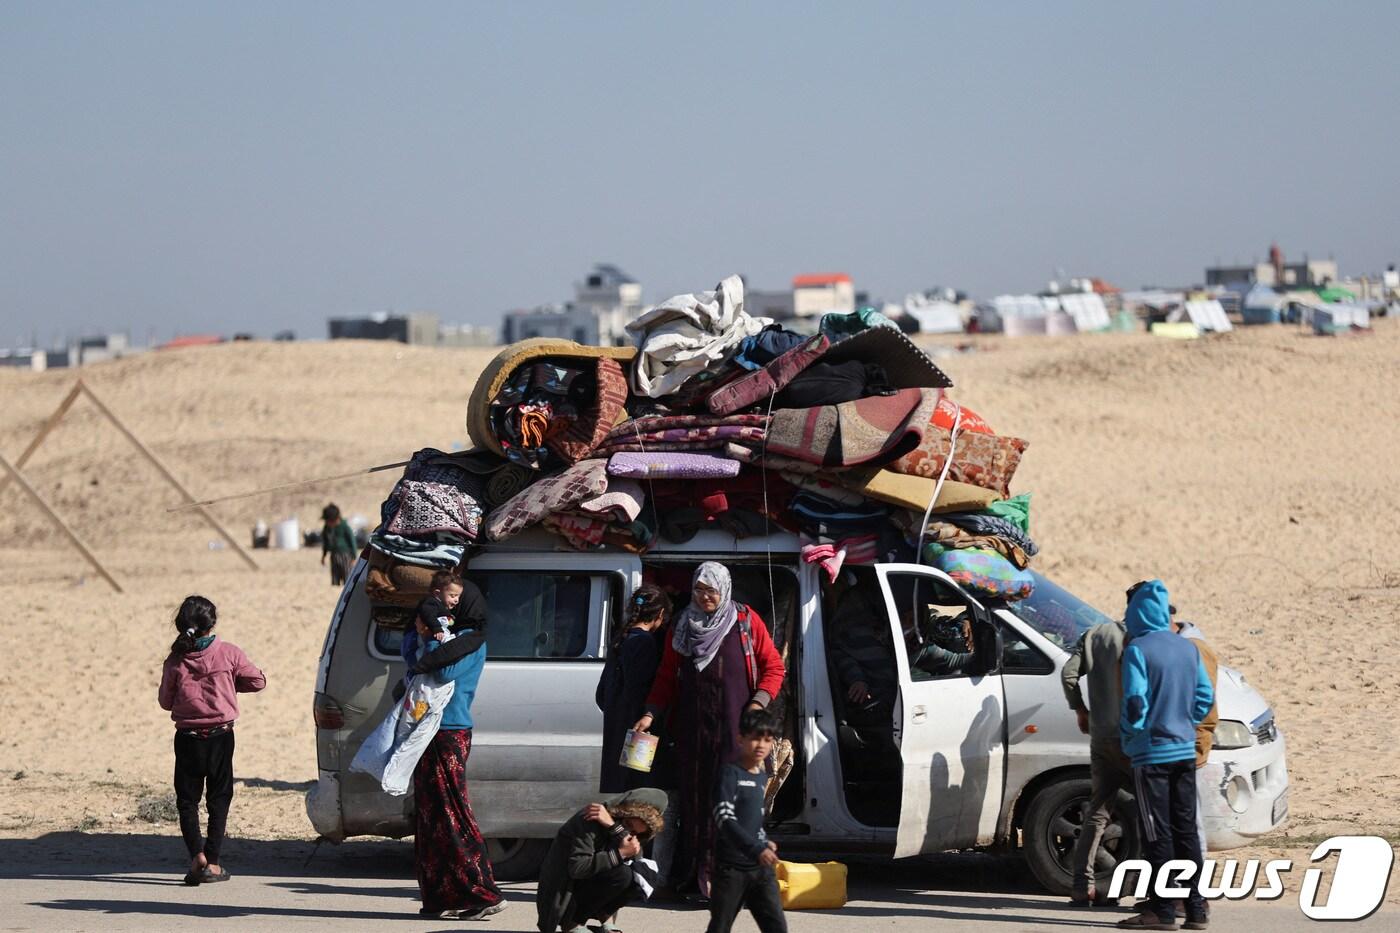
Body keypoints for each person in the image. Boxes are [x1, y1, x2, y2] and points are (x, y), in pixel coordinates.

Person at [632, 562, 785, 901]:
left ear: (725, 590)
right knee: (695, 805)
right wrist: (650, 713)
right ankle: (694, 881)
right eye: (699, 589)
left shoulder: (746, 622)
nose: (704, 597)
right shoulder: (681, 626)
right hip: (692, 733)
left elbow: (774, 667)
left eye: (711, 590)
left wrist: (758, 703)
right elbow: (667, 677)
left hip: (735, 733)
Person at [1117, 580, 1214, 931]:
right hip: (1184, 750)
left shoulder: (1138, 649)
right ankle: (1196, 908)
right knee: (1186, 828)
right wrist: (1185, 721)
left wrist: (1132, 733)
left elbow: (1135, 701)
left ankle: (1160, 910)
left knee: (1157, 832)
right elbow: (1205, 696)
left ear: (1135, 612)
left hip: (1151, 753)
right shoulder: (1187, 649)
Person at [409, 573, 506, 922]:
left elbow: (444, 672)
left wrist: (434, 641)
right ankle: (440, 896)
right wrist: (424, 636)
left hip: (449, 733)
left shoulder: (469, 640)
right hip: (431, 730)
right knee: (430, 817)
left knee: (452, 815)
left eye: (454, 600)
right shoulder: (452, 635)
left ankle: (483, 893)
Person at [157, 596, 266, 886]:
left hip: (187, 738)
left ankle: (196, 857)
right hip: (221, 736)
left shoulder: (175, 660)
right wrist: (231, 686)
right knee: (219, 799)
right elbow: (258, 681)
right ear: (212, 623)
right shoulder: (228, 653)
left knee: (187, 801)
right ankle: (214, 861)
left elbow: (165, 702)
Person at [1060, 586, 1133, 907]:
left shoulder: (1098, 634)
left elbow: (1068, 674)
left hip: (1102, 737)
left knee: (1097, 812)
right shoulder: (1146, 642)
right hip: (1134, 741)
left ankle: (1081, 885)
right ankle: (1139, 888)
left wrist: (1081, 709)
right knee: (1147, 813)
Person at [536, 788, 666, 933]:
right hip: (564, 889)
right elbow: (578, 868)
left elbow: (634, 860)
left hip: (586, 884)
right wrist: (620, 853)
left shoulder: (616, 826)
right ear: (622, 812)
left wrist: (614, 828)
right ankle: (571, 924)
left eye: (634, 832)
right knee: (621, 874)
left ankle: (605, 917)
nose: (629, 833)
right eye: (628, 824)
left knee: (642, 875)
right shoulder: (590, 819)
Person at [706, 706, 788, 933]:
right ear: (740, 739)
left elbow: (753, 820)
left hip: (760, 870)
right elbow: (724, 817)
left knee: (776, 926)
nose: (761, 745)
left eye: (767, 740)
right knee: (720, 926)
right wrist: (755, 848)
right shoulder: (729, 774)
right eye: (755, 739)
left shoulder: (761, 776)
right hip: (731, 869)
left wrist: (764, 841)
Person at [596, 584, 672, 793]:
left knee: (621, 792)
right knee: (639, 793)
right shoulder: (645, 643)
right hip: (639, 733)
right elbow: (641, 692)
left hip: (616, 729)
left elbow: (601, 695)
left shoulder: (621, 639)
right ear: (661, 613)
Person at [321, 504, 358, 586]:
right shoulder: (327, 528)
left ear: (335, 519)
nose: (327, 523)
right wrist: (324, 555)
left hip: (345, 555)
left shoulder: (344, 527)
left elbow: (352, 542)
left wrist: (354, 557)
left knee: (347, 577)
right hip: (334, 555)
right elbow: (325, 542)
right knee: (335, 577)